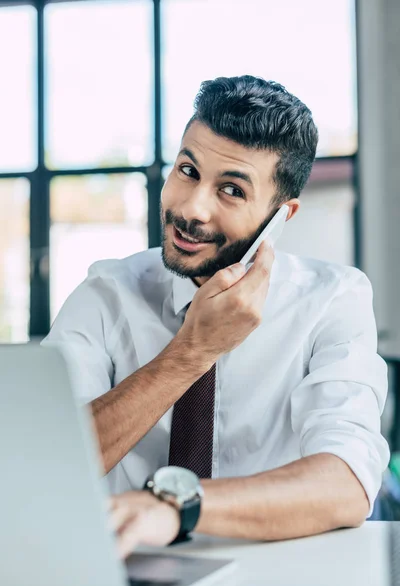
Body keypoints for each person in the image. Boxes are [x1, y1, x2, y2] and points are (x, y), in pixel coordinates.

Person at [42, 76, 389, 560]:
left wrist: (176, 507)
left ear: (280, 217)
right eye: (188, 170)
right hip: (124, 569)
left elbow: (347, 483)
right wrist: (191, 352)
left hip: (276, 572)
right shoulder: (106, 293)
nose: (190, 209)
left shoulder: (333, 299)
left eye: (230, 189)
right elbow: (42, 466)